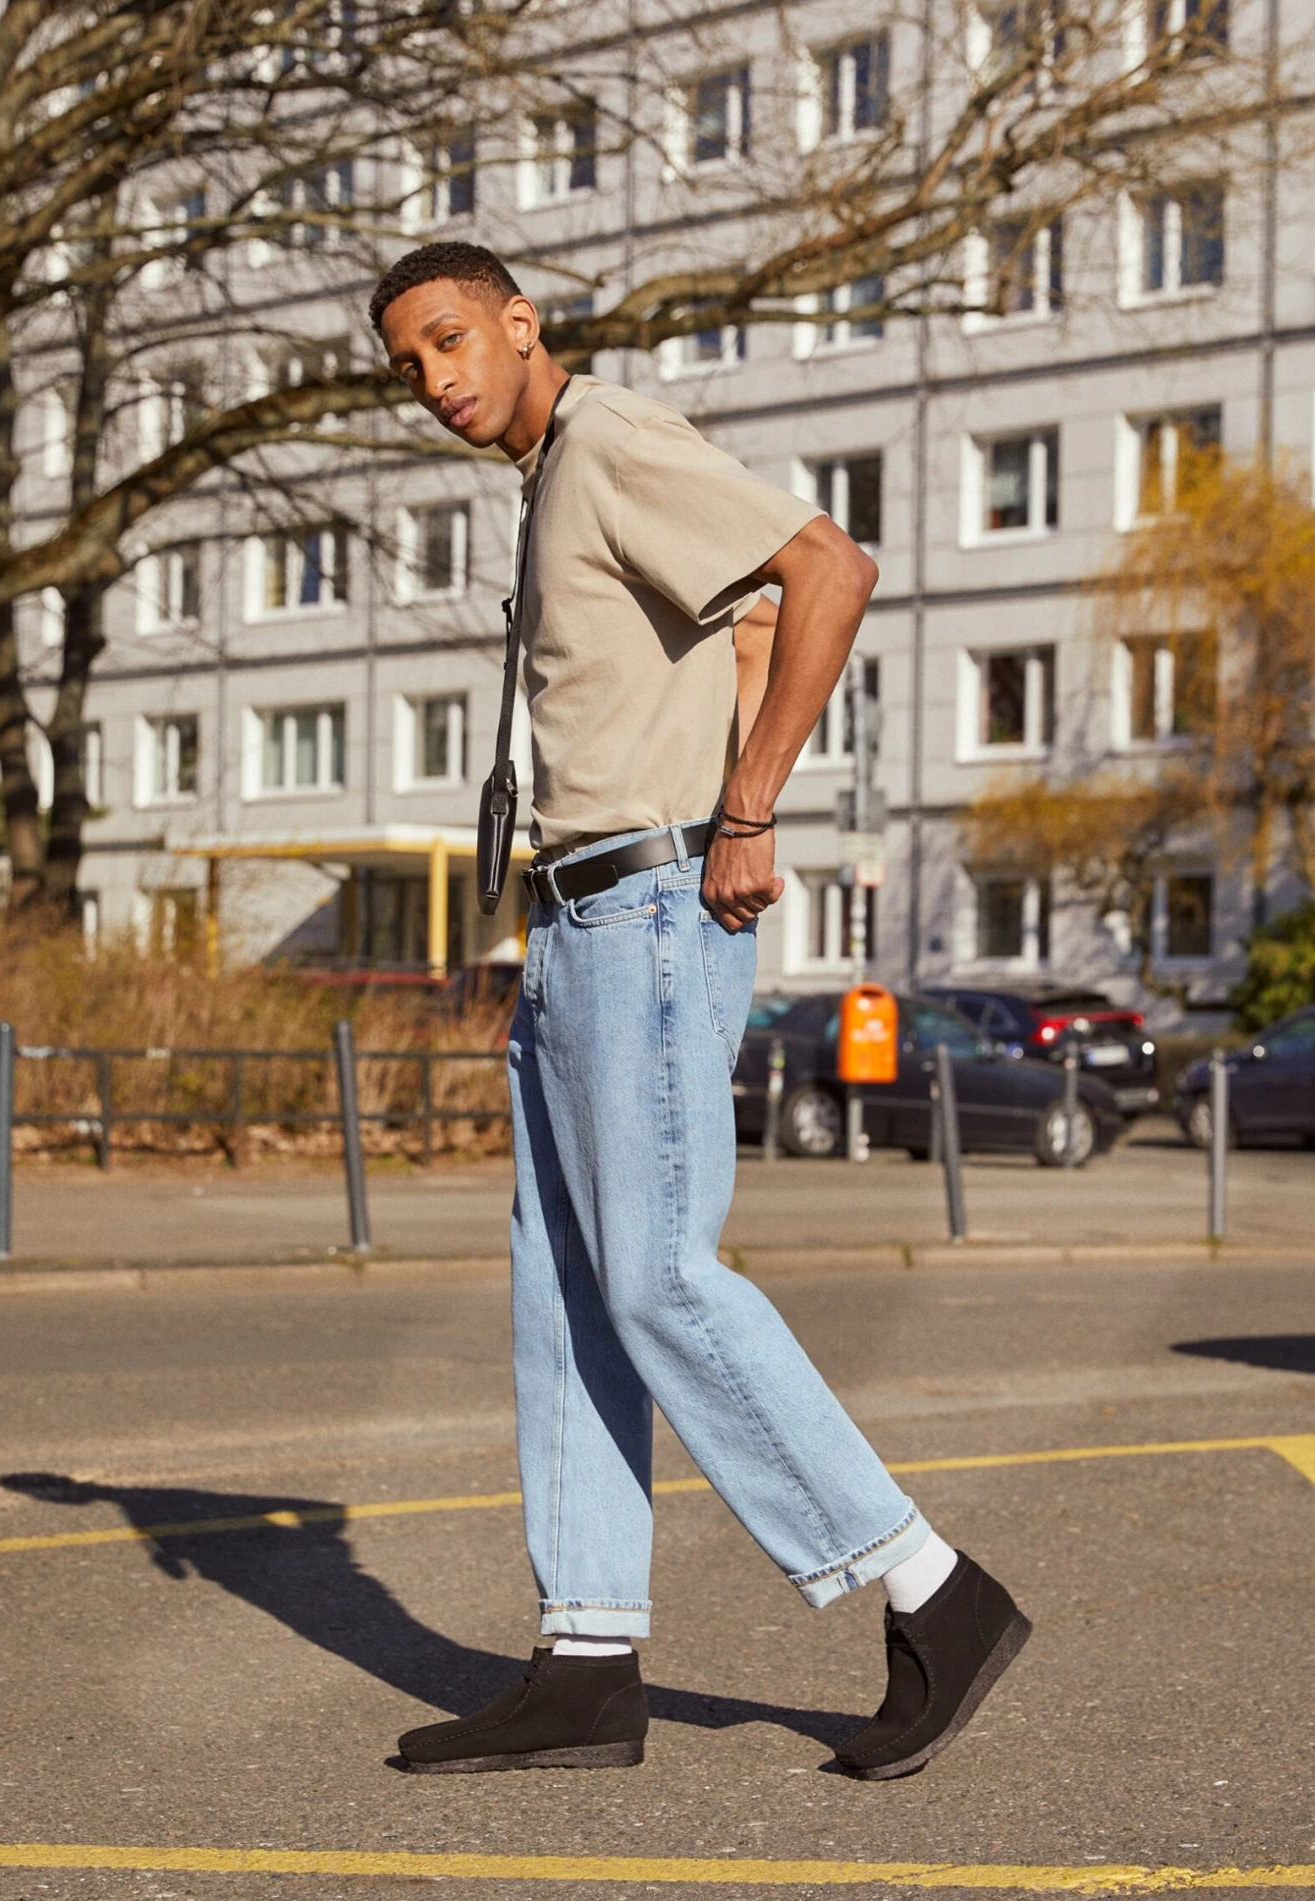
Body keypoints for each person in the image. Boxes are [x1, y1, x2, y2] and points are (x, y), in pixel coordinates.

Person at [370, 242, 1029, 1780]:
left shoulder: (609, 437)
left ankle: (937, 1591)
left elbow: (828, 569)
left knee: (661, 1276)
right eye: (409, 364)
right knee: (566, 1289)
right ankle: (587, 1656)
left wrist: (750, 804)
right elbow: (743, 622)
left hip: (652, 907)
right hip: (572, 916)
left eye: (451, 339)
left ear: (520, 324)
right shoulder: (553, 478)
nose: (435, 378)